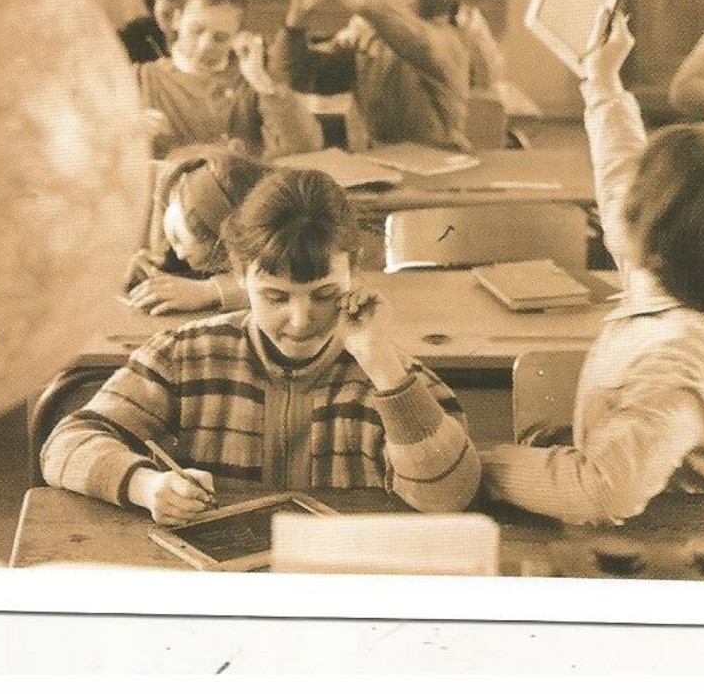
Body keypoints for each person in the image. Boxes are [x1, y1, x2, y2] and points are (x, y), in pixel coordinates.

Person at [480, 7, 704, 525]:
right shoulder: (680, 277)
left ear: (660, 236)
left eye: (637, 205)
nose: (619, 207)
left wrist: (486, 465)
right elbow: (622, 171)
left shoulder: (683, 360)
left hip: (676, 550)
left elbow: (603, 494)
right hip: (645, 521)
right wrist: (602, 80)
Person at [42, 167, 481, 522]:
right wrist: (147, 486)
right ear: (240, 275)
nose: (301, 319)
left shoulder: (395, 379)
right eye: (275, 296)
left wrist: (381, 363)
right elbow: (65, 442)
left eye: (325, 294)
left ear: (353, 273)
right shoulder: (185, 355)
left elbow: (450, 499)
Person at [275, 0, 473, 153]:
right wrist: (297, 21)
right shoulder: (367, 37)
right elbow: (300, 76)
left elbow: (416, 42)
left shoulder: (447, 42)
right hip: (377, 167)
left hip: (438, 171)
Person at [136, 0, 323, 161]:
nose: (205, 46)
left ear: (236, 37)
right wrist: (129, 129)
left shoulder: (251, 80)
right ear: (176, 20)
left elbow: (307, 146)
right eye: (196, 30)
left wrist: (262, 83)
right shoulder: (143, 79)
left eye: (220, 38)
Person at [126, 147, 269, 316]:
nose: (179, 254)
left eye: (211, 262)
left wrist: (209, 291)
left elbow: (286, 280)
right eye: (177, 237)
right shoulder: (137, 177)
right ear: (175, 192)